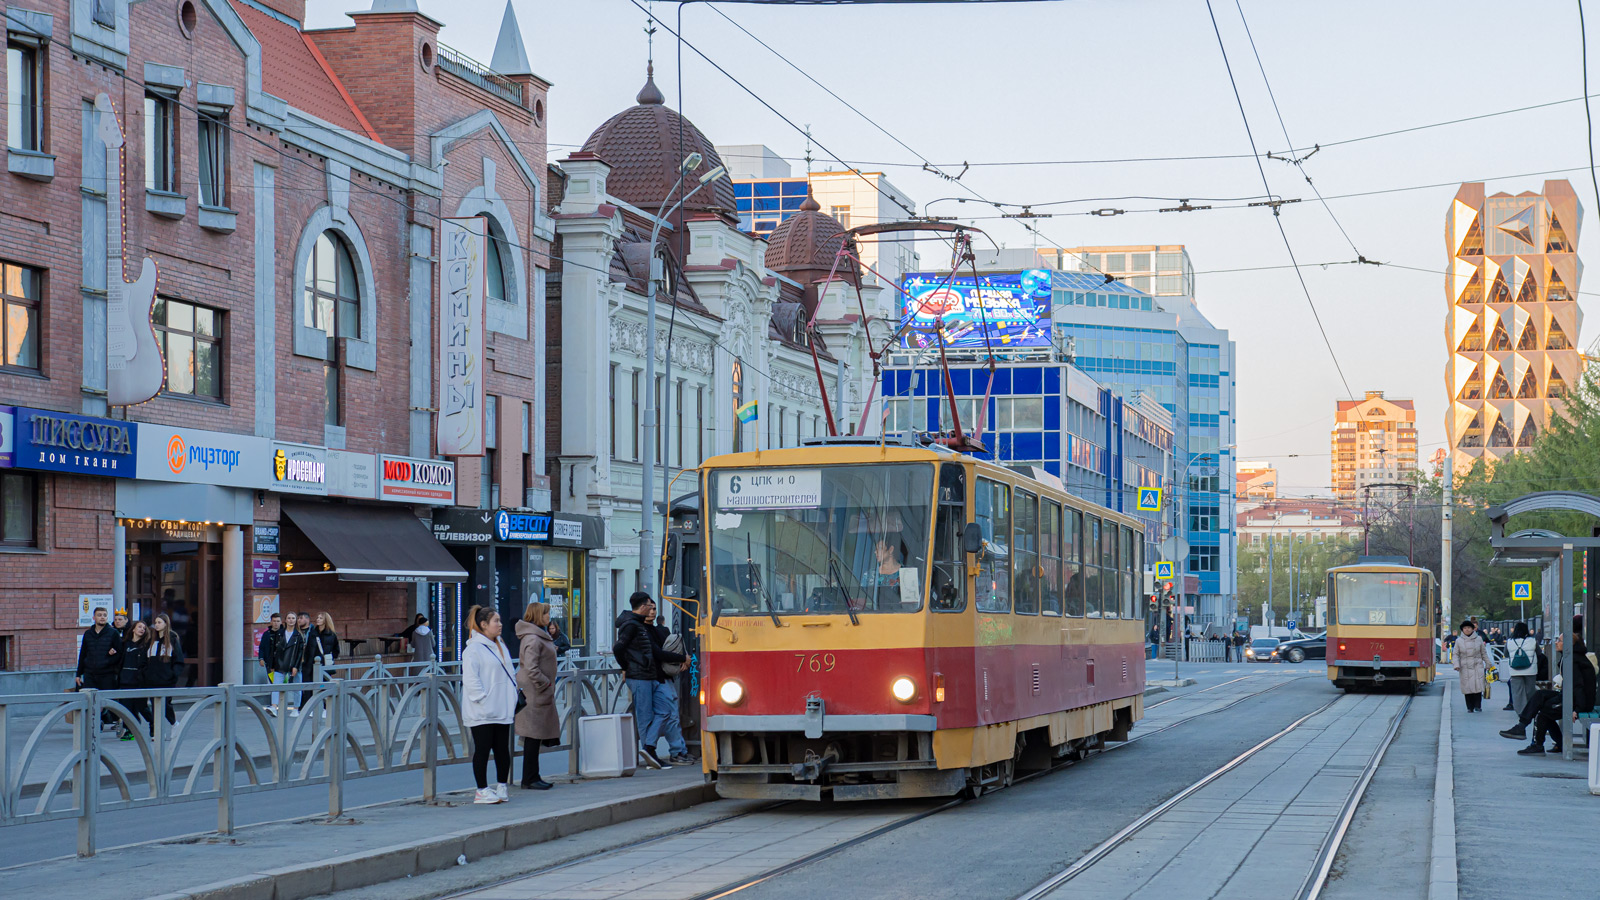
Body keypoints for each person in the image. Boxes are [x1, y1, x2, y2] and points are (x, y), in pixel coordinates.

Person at [615, 592, 682, 768]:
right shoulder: (631, 625)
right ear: (643, 606)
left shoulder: (639, 625)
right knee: (645, 717)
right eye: (650, 606)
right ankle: (650, 756)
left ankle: (649, 748)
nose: (652, 610)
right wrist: (625, 666)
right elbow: (618, 648)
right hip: (639, 676)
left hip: (650, 676)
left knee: (665, 710)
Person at [462, 605, 517, 804]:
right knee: (483, 749)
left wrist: (511, 697)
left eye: (500, 621)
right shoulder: (473, 649)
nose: (500, 625)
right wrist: (482, 699)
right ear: (484, 625)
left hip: (502, 707)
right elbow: (471, 679)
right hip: (482, 711)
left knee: (502, 749)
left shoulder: (500, 644)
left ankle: (502, 785)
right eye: (496, 621)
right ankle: (482, 790)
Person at [514, 602, 559, 790]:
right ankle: (530, 778)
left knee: (536, 735)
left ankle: (533, 776)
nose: (549, 616)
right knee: (532, 735)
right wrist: (545, 683)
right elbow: (531, 667)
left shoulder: (537, 635)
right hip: (535, 692)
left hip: (538, 691)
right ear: (538, 615)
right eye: (546, 613)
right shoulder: (533, 638)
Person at [647, 610, 694, 765]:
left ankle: (678, 751)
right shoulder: (643, 631)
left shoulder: (656, 630)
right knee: (666, 715)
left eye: (653, 608)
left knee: (670, 715)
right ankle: (654, 749)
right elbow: (659, 654)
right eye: (648, 608)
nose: (651, 611)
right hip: (655, 678)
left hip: (660, 678)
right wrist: (682, 659)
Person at [76, 606, 124, 731]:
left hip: (107, 673)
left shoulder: (113, 633)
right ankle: (96, 723)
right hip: (90, 673)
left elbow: (120, 653)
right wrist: (78, 673)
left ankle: (117, 719)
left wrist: (108, 661)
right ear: (94, 617)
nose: (102, 617)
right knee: (90, 700)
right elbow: (83, 654)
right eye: (99, 615)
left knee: (108, 700)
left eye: (104, 615)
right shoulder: (88, 634)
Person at [143, 613, 185, 735]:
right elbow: (145, 660)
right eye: (155, 622)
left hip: (166, 679)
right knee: (155, 707)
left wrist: (173, 675)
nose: (156, 625)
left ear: (166, 624)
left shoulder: (172, 639)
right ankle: (157, 732)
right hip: (152, 679)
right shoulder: (151, 640)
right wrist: (145, 673)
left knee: (165, 705)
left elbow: (179, 660)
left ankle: (174, 724)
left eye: (159, 622)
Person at [117, 620, 151, 739]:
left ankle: (154, 724)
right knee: (126, 707)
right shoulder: (125, 644)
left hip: (138, 681)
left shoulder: (145, 645)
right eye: (139, 627)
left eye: (144, 627)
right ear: (133, 629)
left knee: (141, 706)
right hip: (125, 679)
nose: (142, 629)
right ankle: (129, 730)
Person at [1501, 621, 1537, 714]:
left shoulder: (1509, 642)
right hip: (1530, 670)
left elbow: (1506, 654)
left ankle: (1521, 712)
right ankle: (1531, 710)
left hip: (1515, 670)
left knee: (1517, 692)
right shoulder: (1533, 640)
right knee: (1530, 691)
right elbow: (1539, 652)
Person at [1454, 619, 1489, 712]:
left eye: (1469, 628)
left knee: (1478, 687)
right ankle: (1469, 707)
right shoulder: (1459, 641)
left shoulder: (1479, 639)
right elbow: (1455, 654)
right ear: (1462, 630)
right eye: (1465, 628)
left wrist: (1488, 664)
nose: (1467, 629)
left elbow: (1484, 653)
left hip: (1477, 666)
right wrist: (1456, 665)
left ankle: (1478, 706)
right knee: (1467, 688)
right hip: (1464, 667)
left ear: (1473, 629)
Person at [258, 613, 287, 712]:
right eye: (274, 621)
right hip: (270, 664)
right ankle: (275, 705)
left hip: (282, 664)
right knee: (273, 683)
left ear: (281, 622)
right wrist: (261, 658)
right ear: (271, 622)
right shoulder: (267, 634)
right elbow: (261, 647)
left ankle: (280, 704)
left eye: (278, 621)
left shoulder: (284, 633)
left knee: (283, 684)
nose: (276, 623)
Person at [283, 612, 308, 714]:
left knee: (297, 686)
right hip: (283, 665)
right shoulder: (281, 633)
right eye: (289, 618)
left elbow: (300, 653)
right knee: (283, 686)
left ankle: (296, 708)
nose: (291, 620)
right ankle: (280, 706)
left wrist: (296, 666)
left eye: (293, 618)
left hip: (296, 665)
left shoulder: (299, 635)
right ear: (285, 620)